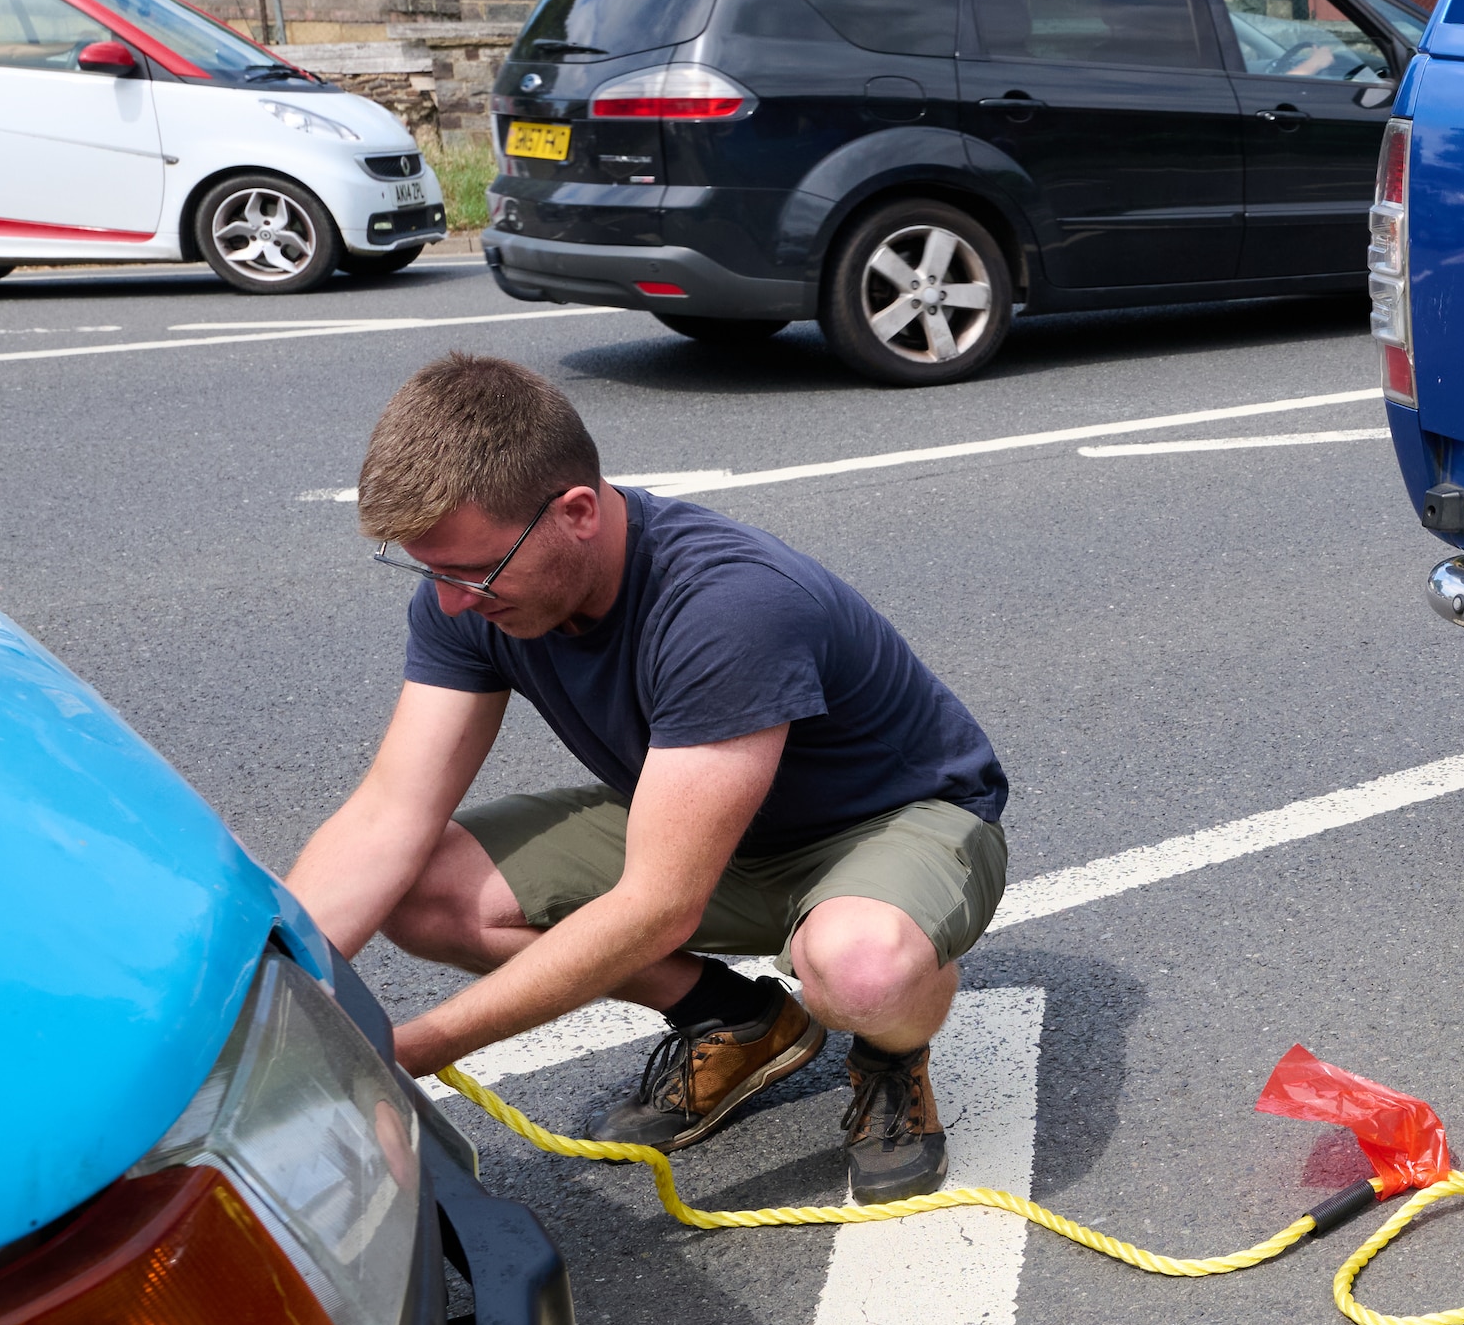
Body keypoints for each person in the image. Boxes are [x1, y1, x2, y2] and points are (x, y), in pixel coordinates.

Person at [287, 351, 1009, 1204]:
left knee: (859, 969)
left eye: (471, 571)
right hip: (715, 825)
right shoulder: (474, 599)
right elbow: (387, 815)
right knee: (424, 890)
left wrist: (409, 1047)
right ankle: (739, 1020)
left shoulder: (726, 606)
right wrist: (260, 994)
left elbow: (657, 902)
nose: (449, 601)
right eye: (427, 571)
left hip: (894, 824)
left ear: (578, 511)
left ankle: (891, 1055)